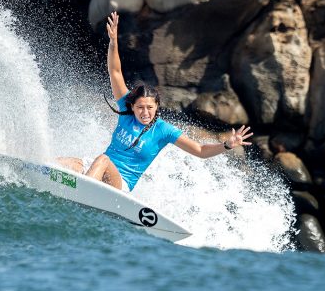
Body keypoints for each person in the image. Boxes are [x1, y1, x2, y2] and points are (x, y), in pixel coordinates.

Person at [58, 11, 253, 191]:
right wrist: (113, 41)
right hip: (97, 172)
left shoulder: (164, 130)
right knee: (64, 163)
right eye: (140, 107)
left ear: (157, 107)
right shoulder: (126, 111)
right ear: (132, 106)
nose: (145, 112)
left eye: (150, 108)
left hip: (120, 184)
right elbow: (115, 72)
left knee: (102, 159)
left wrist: (226, 145)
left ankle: (84, 191)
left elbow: (200, 150)